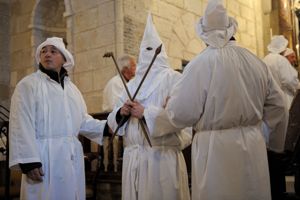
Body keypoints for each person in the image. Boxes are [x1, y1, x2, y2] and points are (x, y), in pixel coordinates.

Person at [149, 0, 288, 199]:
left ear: (203, 34)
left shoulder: (198, 65)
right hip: (252, 145)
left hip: (214, 151)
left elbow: (180, 113)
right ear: (232, 30)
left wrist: (162, 110)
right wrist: (270, 142)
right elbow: (279, 107)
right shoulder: (256, 62)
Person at [9, 37, 108, 200]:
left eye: (53, 51)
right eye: (43, 51)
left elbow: (82, 121)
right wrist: (29, 160)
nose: (47, 54)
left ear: (64, 58)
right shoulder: (28, 85)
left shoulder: (72, 89)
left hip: (69, 158)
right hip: (43, 158)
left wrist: (108, 125)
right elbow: (20, 123)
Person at [107, 13, 192, 200]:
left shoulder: (174, 79)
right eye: (144, 49)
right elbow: (113, 120)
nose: (147, 53)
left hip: (161, 158)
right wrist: (123, 112)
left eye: (151, 49)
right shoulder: (131, 84)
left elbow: (183, 118)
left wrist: (146, 113)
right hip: (134, 157)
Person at [102, 55, 136, 172]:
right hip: (114, 122)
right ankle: (115, 167)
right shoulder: (115, 83)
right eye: (133, 66)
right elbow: (114, 106)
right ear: (125, 69)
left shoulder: (128, 83)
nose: (135, 68)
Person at [263, 35, 299, 110]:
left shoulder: (264, 59)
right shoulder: (281, 59)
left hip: (269, 100)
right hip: (284, 99)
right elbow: (290, 80)